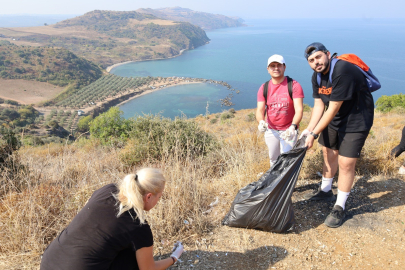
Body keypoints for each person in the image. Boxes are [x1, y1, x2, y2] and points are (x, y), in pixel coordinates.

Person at [40, 168, 184, 270]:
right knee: (133, 258)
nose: (159, 200)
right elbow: (149, 268)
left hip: (49, 262)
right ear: (149, 197)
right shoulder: (139, 228)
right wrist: (174, 257)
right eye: (160, 197)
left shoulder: (107, 190)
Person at [300, 42, 375, 228]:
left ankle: (339, 206)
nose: (316, 62)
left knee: (346, 162)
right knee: (328, 152)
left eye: (318, 57)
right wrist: (309, 130)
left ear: (327, 54)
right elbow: (319, 105)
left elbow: (333, 107)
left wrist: (314, 134)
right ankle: (326, 190)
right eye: (311, 60)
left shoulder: (342, 69)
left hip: (357, 119)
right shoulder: (316, 77)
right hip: (335, 119)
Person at [256, 54, 304, 167]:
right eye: (272, 66)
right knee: (273, 159)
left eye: (279, 65)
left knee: (287, 161)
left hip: (288, 130)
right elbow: (260, 110)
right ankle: (275, 184)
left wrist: (293, 127)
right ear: (268, 69)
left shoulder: (294, 85)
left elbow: (299, 110)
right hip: (271, 130)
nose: (276, 68)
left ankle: (287, 184)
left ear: (284, 67)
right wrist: (261, 122)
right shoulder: (264, 87)